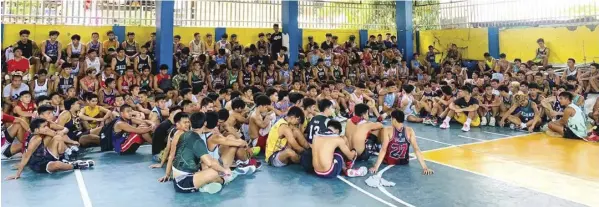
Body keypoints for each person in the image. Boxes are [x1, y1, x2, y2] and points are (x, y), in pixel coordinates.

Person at [159, 112, 243, 193]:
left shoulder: (185, 134)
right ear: (205, 123)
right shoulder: (198, 141)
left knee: (213, 162)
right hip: (182, 182)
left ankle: (209, 183)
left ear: (191, 123)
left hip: (179, 176)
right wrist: (224, 171)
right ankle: (224, 180)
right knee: (213, 173)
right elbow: (209, 163)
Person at [6, 118, 94, 180]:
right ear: (37, 130)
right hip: (38, 164)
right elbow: (26, 156)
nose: (47, 128)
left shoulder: (36, 133)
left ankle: (64, 160)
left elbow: (56, 134)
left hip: (45, 156)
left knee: (58, 138)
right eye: (44, 127)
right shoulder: (35, 140)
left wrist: (50, 127)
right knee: (57, 165)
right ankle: (75, 165)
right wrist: (17, 174)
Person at [369, 110, 434, 175]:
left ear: (394, 119)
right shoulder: (410, 130)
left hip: (388, 161)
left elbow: (383, 149)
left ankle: (375, 146)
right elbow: (416, 149)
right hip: (404, 162)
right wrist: (425, 167)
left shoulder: (387, 130)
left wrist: (376, 167)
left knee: (379, 135)